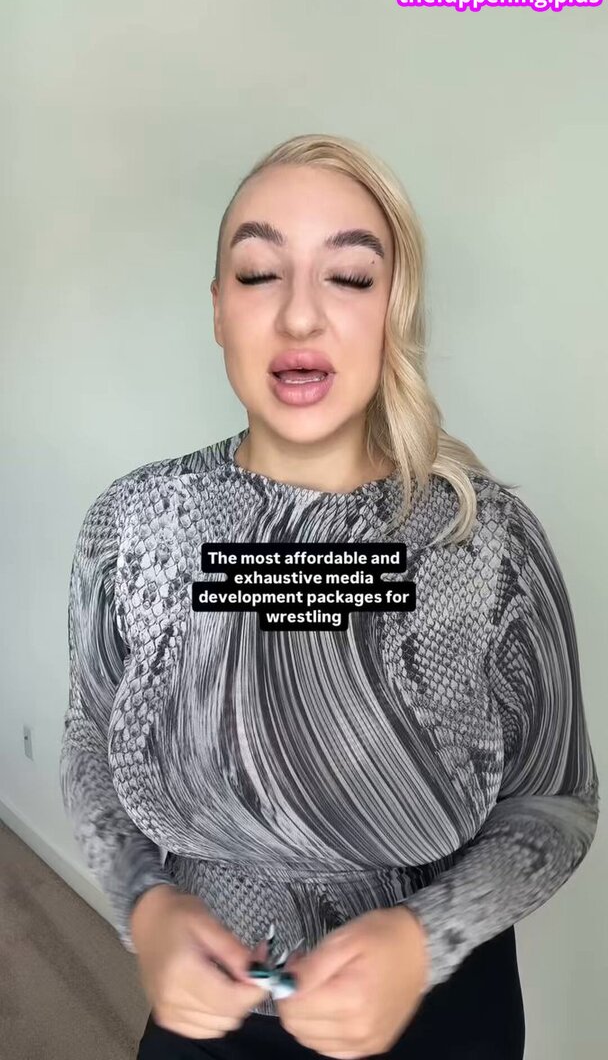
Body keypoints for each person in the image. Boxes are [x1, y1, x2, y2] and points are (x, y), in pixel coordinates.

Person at [60, 133, 600, 1060]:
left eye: (348, 278)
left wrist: (425, 936)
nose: (300, 315)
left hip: (439, 1016)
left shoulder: (487, 541)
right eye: (259, 273)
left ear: (396, 310)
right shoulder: (135, 525)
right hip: (208, 1024)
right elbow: (89, 743)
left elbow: (559, 800)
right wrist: (144, 904)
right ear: (218, 309)